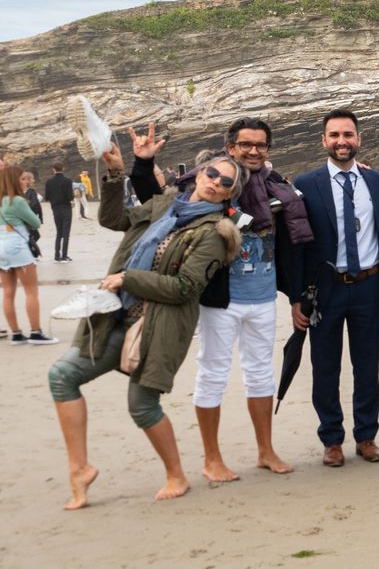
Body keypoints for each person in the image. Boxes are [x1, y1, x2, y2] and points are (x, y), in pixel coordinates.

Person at [48, 145, 242, 508]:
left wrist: (127, 279)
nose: (215, 183)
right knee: (62, 376)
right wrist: (114, 177)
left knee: (142, 404)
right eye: (212, 175)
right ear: (199, 175)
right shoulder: (164, 206)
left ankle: (176, 475)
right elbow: (114, 220)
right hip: (114, 315)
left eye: (225, 182)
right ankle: (80, 468)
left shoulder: (215, 232)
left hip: (160, 326)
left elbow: (185, 288)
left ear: (230, 193)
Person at [129, 120, 310, 481]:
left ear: (268, 150)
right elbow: (161, 200)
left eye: (260, 145)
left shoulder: (278, 189)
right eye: (245, 144)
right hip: (219, 301)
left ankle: (265, 451)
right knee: (213, 374)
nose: (253, 151)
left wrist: (297, 297)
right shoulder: (213, 183)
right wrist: (143, 164)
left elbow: (292, 250)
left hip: (263, 298)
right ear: (230, 147)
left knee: (261, 374)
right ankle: (211, 459)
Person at [291, 109, 379, 467]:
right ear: (324, 141)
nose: (341, 141)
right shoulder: (305, 183)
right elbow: (297, 245)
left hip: (368, 285)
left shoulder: (377, 181)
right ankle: (331, 439)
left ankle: (366, 436)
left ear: (358, 139)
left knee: (367, 366)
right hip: (325, 290)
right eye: (334, 135)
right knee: (325, 367)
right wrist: (296, 297)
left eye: (348, 135)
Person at [2, 167, 54, 344]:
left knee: (8, 293)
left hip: (1, 248)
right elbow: (35, 222)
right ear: (14, 181)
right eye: (22, 179)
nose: (26, 182)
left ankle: (16, 334)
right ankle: (35, 332)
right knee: (31, 291)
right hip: (17, 246)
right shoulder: (17, 201)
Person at [45, 161, 73, 262]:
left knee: (58, 233)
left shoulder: (49, 181)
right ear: (63, 169)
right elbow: (70, 196)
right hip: (66, 207)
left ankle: (56, 255)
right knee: (66, 234)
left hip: (55, 208)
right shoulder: (68, 181)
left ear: (53, 169)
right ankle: (64, 255)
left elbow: (47, 197)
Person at [20, 170, 43, 259]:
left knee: (30, 235)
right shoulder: (31, 191)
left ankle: (28, 252)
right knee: (35, 235)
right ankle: (29, 253)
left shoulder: (19, 192)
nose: (34, 180)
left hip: (24, 218)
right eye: (32, 179)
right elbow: (35, 205)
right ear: (27, 180)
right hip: (28, 218)